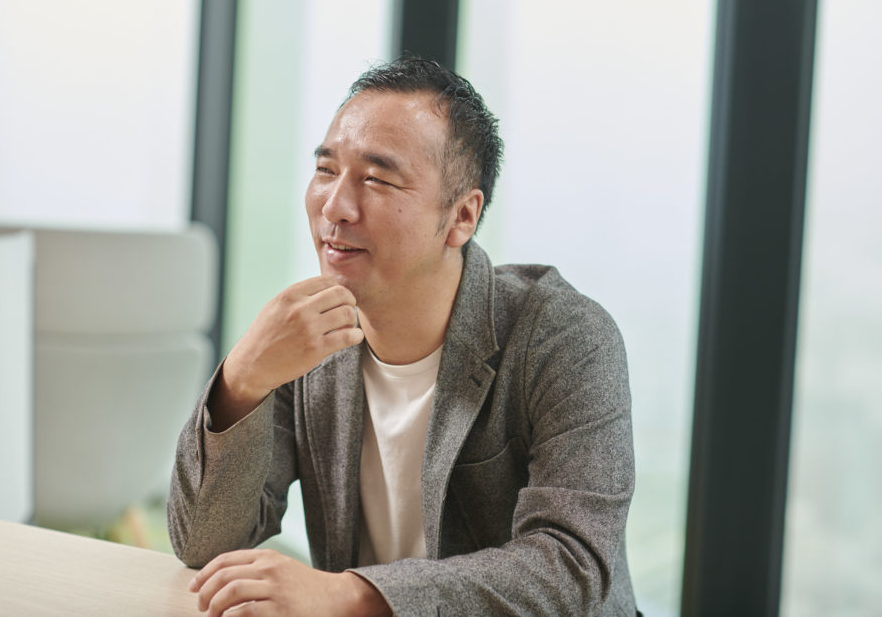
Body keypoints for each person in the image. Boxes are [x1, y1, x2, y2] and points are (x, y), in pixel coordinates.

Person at [168, 56, 637, 616]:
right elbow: (203, 544)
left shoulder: (564, 337)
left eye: (376, 178)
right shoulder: (309, 339)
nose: (335, 207)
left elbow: (570, 568)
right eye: (325, 170)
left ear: (462, 217)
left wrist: (350, 594)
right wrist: (242, 379)